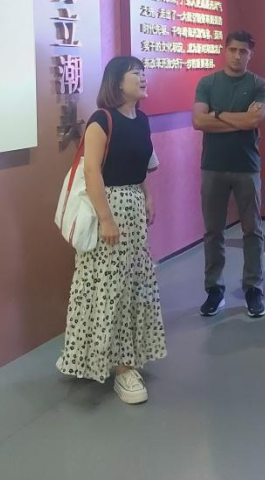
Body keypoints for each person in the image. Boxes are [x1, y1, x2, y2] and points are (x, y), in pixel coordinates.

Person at [57, 56, 167, 404]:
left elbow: (142, 166)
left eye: (143, 73)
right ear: (117, 82)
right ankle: (119, 367)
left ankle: (121, 357)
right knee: (108, 287)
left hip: (133, 211)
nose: (143, 78)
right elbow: (92, 171)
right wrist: (106, 218)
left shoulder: (142, 120)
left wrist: (147, 196)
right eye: (136, 73)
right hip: (110, 210)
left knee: (131, 287)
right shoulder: (101, 120)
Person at [193, 31, 265, 319]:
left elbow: (254, 119)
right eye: (233, 50)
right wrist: (239, 120)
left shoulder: (259, 84)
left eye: (243, 51)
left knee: (252, 230)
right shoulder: (207, 83)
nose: (238, 55)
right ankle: (214, 289)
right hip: (212, 166)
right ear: (225, 51)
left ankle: (253, 288)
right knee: (213, 231)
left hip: (247, 167)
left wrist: (217, 114)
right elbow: (198, 120)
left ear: (251, 54)